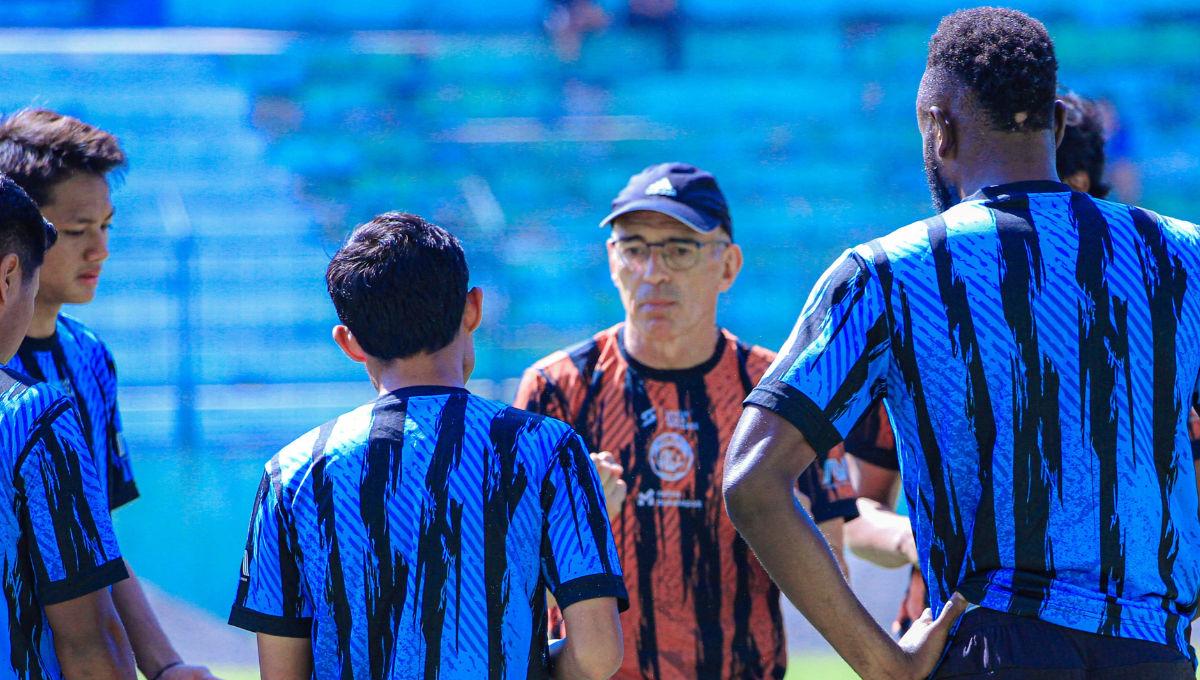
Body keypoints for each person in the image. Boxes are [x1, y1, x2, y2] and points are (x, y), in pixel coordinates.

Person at [724, 7, 1200, 679]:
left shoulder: (890, 274)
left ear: (937, 128)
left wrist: (883, 664)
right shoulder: (1180, 257)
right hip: (1155, 651)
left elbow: (751, 481)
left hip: (992, 649)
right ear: (1059, 126)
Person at [229, 212, 626, 678]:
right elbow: (598, 654)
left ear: (349, 342)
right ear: (473, 308)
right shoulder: (549, 449)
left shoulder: (293, 473)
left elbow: (282, 673)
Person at [515, 162, 859, 679]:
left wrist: (781, 521)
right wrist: (575, 525)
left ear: (728, 265)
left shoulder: (786, 392)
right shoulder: (554, 390)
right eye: (635, 248)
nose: (654, 272)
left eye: (679, 249)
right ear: (613, 261)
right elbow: (507, 590)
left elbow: (834, 580)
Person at [842, 90, 1151, 638]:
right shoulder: (927, 322)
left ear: (1085, 191)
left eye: (1063, 195)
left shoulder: (1150, 340)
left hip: (1110, 639)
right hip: (950, 634)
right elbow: (850, 512)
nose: (1041, 217)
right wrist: (910, 537)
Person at [0, 108, 216, 680]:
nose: (100, 250)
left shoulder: (91, 359)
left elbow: (95, 544)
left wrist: (165, 664)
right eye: (77, 232)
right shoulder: (19, 399)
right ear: (23, 230)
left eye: (106, 227)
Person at [0, 173, 136, 677]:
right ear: (9, 278)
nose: (99, 249)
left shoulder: (89, 356)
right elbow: (87, 639)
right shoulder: (34, 416)